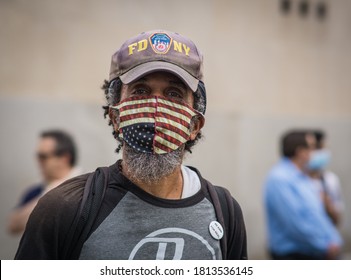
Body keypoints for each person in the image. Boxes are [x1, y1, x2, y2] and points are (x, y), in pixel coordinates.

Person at [15, 30, 247, 260]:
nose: (156, 107)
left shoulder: (225, 212)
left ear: (194, 125)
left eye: (174, 93)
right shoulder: (65, 209)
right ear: (115, 116)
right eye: (140, 91)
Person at [263, 130, 342, 259]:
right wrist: (324, 246)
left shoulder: (303, 177)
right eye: (312, 148)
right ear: (301, 152)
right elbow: (296, 224)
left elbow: (317, 217)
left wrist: (334, 241)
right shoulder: (280, 179)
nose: (315, 152)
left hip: (315, 252)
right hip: (294, 256)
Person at [7, 130, 81, 235]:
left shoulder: (88, 187)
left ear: (64, 158)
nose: (38, 162)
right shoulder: (37, 191)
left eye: (43, 157)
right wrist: (48, 194)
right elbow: (13, 226)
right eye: (38, 156)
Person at [307, 130, 344, 226]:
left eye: (324, 148)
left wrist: (329, 207)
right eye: (318, 148)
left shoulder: (330, 180)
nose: (322, 152)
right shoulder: (293, 181)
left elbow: (337, 221)